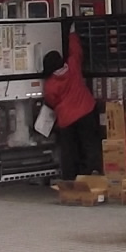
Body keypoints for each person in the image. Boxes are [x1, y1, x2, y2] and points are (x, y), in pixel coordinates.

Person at [41, 30, 102, 180]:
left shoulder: (51, 84)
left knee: (70, 150)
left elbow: (51, 101)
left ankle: (71, 178)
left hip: (67, 119)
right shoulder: (73, 66)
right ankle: (92, 172)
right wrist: (72, 33)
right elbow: (76, 50)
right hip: (87, 110)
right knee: (90, 144)